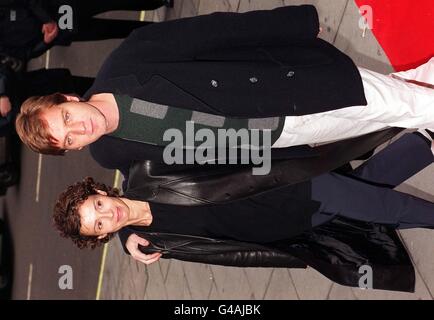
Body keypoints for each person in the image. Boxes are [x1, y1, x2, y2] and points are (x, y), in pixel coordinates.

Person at [15, 5, 434, 185]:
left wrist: (294, 24)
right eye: (69, 140)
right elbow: (144, 187)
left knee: (398, 104)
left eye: (67, 119)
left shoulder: (130, 60)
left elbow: (215, 31)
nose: (80, 129)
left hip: (285, 88)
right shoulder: (110, 154)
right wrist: (126, 235)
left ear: (69, 98)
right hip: (277, 138)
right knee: (383, 113)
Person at [53, 131, 434, 292]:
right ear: (101, 235)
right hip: (293, 227)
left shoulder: (146, 171)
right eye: (99, 224)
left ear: (101, 190)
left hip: (286, 183)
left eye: (99, 206)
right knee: (367, 190)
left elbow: (213, 144)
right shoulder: (152, 241)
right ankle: (423, 142)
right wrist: (125, 238)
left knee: (382, 208)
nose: (109, 215)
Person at [0, 0, 172, 61]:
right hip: (64, 32)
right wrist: (46, 41)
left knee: (112, 3)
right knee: (110, 30)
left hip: (60, 7)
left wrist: (47, 20)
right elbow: (25, 54)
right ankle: (156, 31)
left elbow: (29, 1)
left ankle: (156, 0)